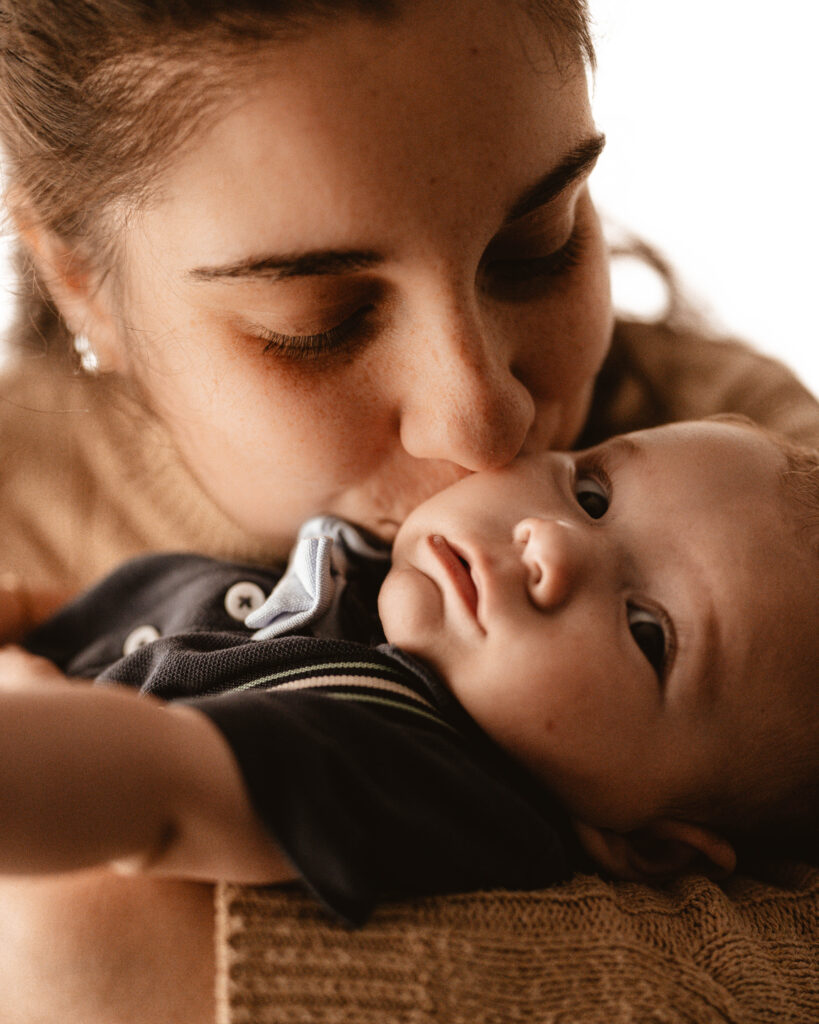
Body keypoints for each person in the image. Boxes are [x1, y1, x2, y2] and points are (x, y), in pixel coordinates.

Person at [0, 1, 818, 1021]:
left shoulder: (755, 464)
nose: (482, 424)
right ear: (79, 285)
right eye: (320, 324)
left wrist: (124, 947)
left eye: (539, 242)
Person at [8, 418, 818, 928]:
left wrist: (29, 701)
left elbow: (158, 791)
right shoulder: (362, 587)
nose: (549, 541)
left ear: (650, 848)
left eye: (647, 633)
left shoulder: (419, 768)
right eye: (593, 491)